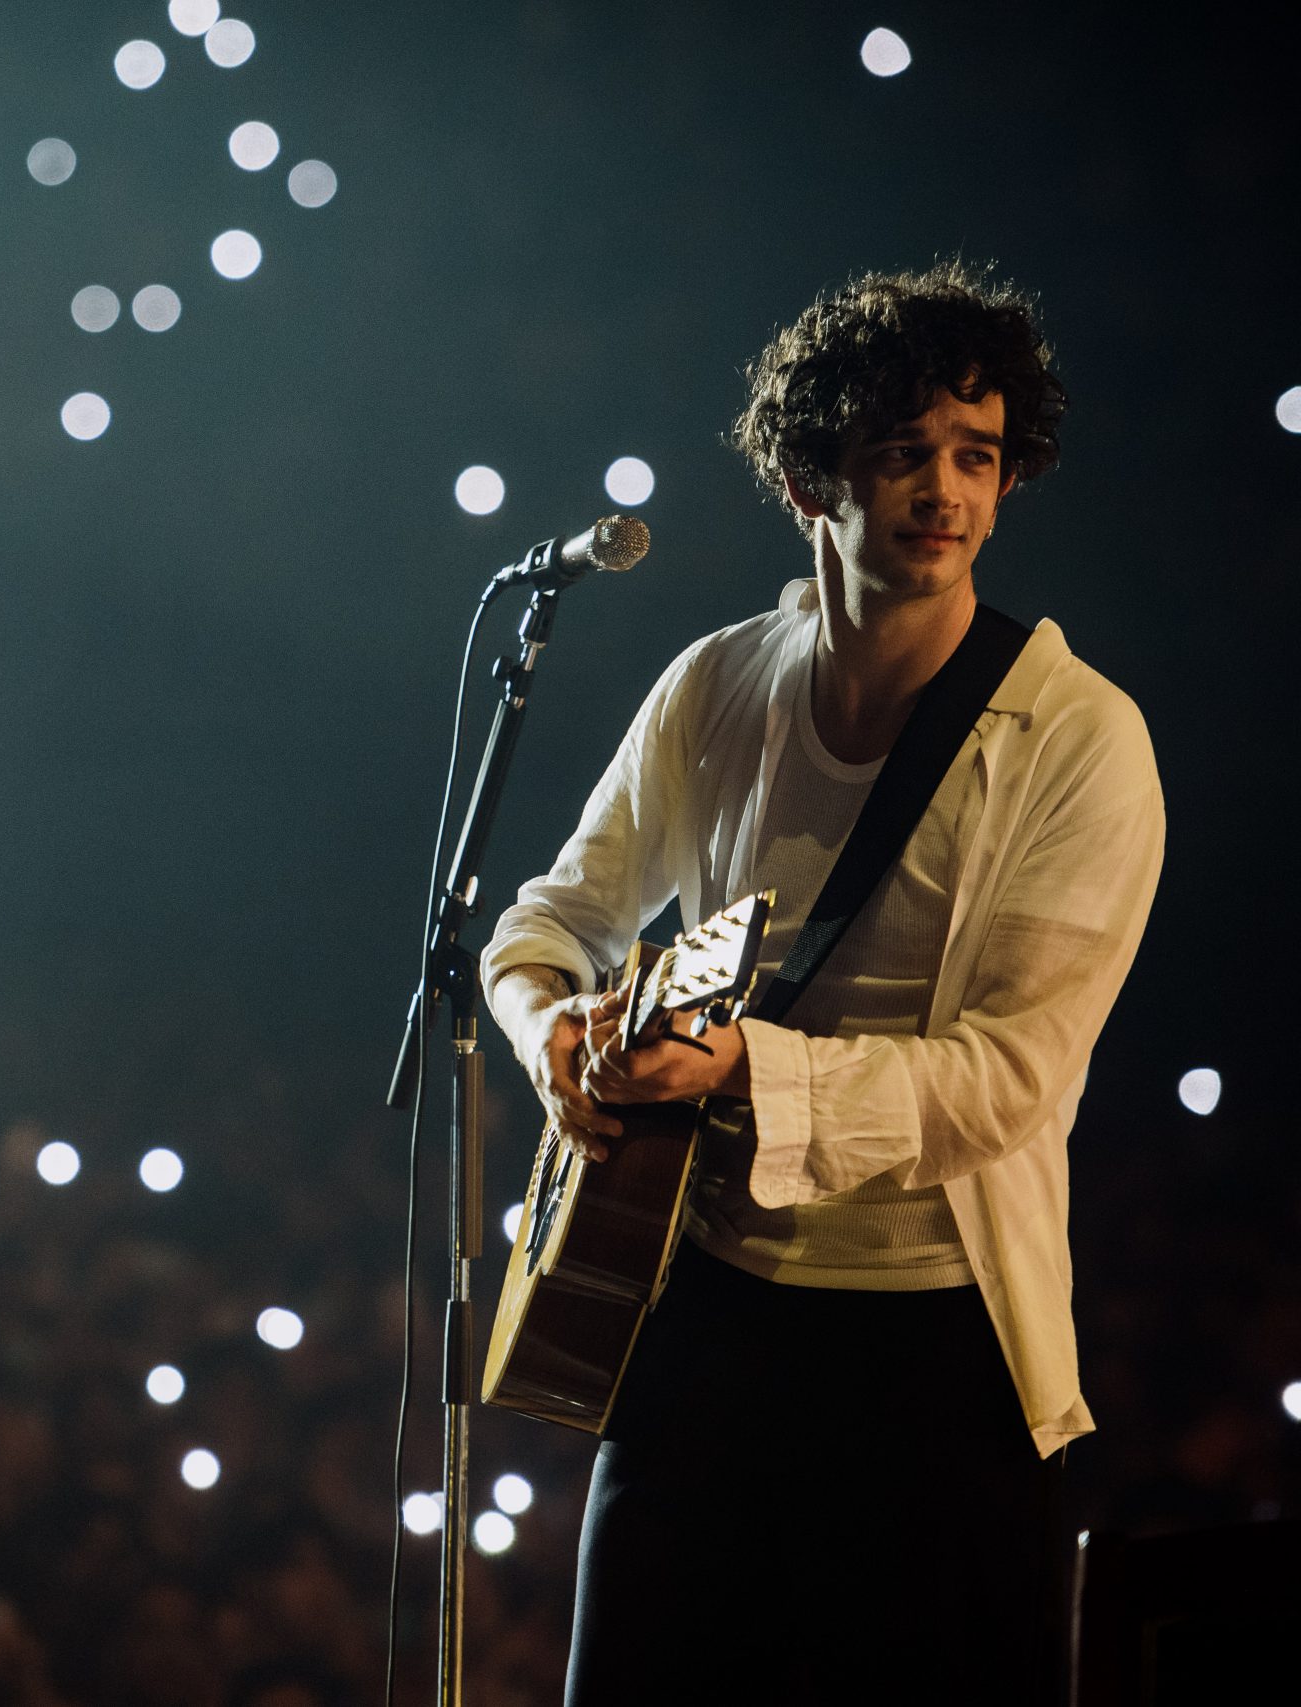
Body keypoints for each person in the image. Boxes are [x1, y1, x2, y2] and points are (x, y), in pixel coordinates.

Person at [480, 262, 1164, 1704]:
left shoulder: (1078, 739)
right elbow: (545, 925)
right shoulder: (721, 682)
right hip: (705, 1306)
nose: (944, 491)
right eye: (901, 453)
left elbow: (1011, 1080)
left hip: (935, 1344)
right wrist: (558, 1042)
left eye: (976, 457)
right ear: (810, 481)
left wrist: (738, 1070)